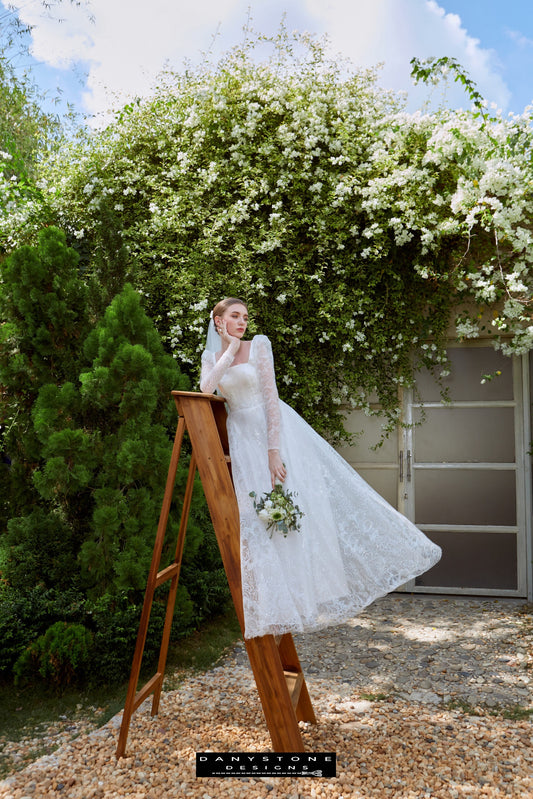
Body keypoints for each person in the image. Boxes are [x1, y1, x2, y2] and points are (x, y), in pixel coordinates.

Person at [200, 297, 441, 640]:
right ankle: (278, 604)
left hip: (276, 436)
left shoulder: (260, 346)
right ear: (218, 320)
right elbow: (206, 388)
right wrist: (230, 350)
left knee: (292, 511)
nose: (242, 322)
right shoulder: (213, 357)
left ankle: (308, 598)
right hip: (242, 439)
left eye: (245, 317)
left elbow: (270, 397)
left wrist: (273, 451)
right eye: (235, 317)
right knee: (261, 518)